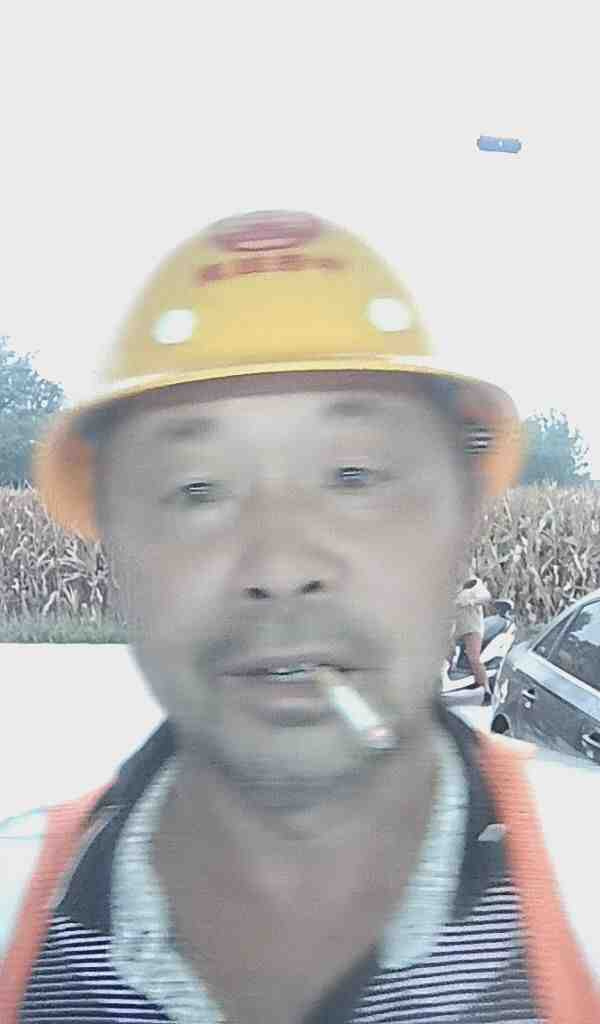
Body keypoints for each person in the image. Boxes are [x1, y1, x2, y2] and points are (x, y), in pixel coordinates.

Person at [1, 210, 599, 1023]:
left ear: (464, 520)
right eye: (196, 489)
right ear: (114, 544)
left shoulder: (583, 890)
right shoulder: (16, 918)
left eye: (353, 477)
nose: (279, 566)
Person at [453, 572, 493, 703]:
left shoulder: (473, 583)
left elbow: (486, 597)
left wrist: (471, 601)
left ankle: (486, 690)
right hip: (453, 627)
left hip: (472, 627)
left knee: (474, 658)